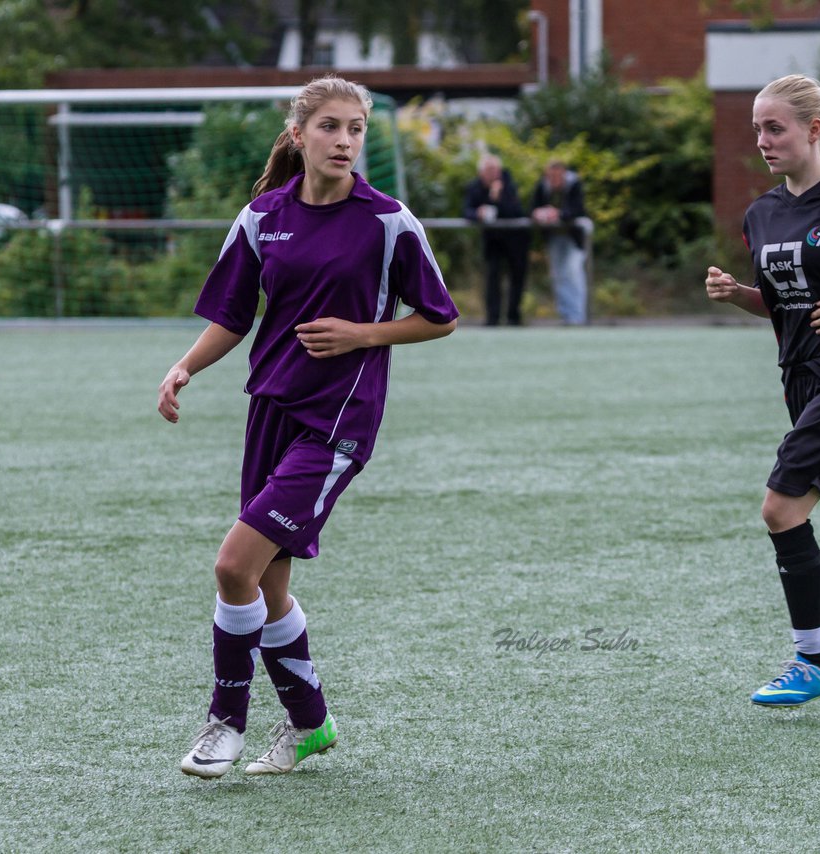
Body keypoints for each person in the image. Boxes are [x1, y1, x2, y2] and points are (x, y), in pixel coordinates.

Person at [158, 76, 458, 778]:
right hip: (272, 406)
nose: (346, 140)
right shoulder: (263, 217)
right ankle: (311, 723)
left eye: (356, 128)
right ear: (300, 135)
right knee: (266, 585)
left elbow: (440, 318)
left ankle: (224, 724)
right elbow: (234, 315)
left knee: (234, 564)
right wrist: (184, 368)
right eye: (331, 126)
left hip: (338, 421)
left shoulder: (388, 222)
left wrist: (361, 334)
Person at [705, 73, 820, 707]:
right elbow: (785, 307)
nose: (762, 139)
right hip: (802, 382)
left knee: (780, 508)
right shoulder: (763, 213)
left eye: (774, 127)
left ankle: (814, 661)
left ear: (814, 129)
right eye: (756, 128)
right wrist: (739, 296)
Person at [463, 154, 530, 326]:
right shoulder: (474, 187)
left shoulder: (509, 185)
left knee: (517, 278)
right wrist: (478, 213)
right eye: (488, 170)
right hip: (493, 242)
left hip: (515, 240)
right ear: (481, 172)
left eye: (495, 170)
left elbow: (515, 211)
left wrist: (497, 198)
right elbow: (467, 211)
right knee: (493, 278)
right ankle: (492, 318)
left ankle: (513, 317)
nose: (492, 174)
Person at [530, 159, 589, 325]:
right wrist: (538, 214)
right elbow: (532, 208)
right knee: (558, 275)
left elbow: (578, 209)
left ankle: (578, 316)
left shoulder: (574, 184)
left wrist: (559, 214)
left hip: (573, 239)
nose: (554, 180)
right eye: (551, 176)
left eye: (557, 176)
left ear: (563, 174)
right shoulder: (543, 186)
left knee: (573, 273)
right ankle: (566, 315)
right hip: (554, 238)